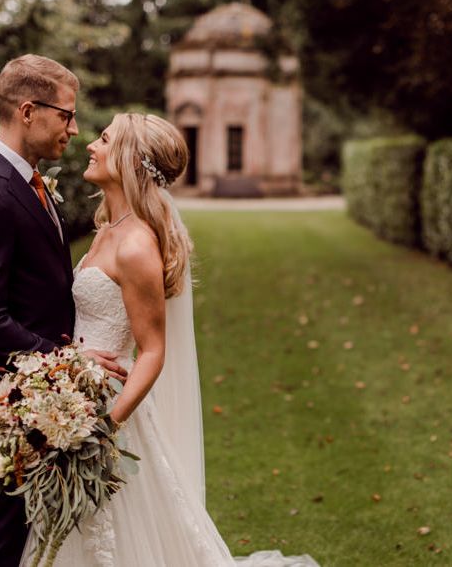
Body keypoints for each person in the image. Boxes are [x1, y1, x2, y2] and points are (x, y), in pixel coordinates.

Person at [21, 112, 318, 566]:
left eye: (104, 139)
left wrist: (104, 428)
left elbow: (153, 350)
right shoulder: (108, 229)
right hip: (77, 392)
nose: (91, 146)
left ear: (128, 160)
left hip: (109, 409)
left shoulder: (137, 244)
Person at [0, 54, 127, 567]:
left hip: (48, 398)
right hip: (11, 402)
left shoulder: (33, 183)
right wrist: (70, 360)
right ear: (29, 111)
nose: (74, 128)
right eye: (66, 115)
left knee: (33, 541)